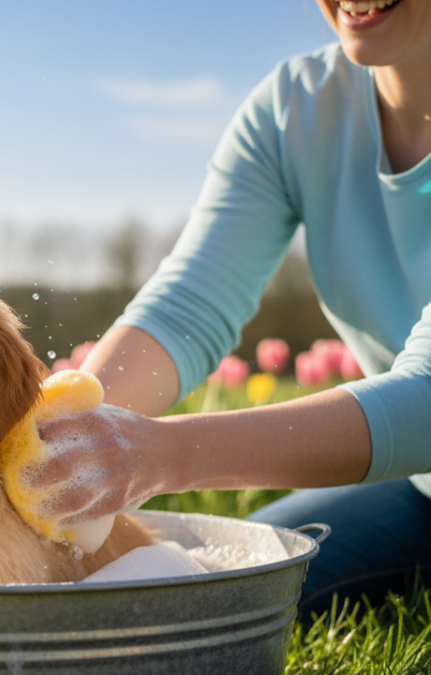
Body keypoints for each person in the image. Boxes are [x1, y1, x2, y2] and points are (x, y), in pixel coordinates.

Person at [27, 0, 431, 619]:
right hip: (419, 490)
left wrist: (168, 454)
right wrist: (58, 438)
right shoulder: (296, 108)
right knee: (211, 588)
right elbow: (189, 304)